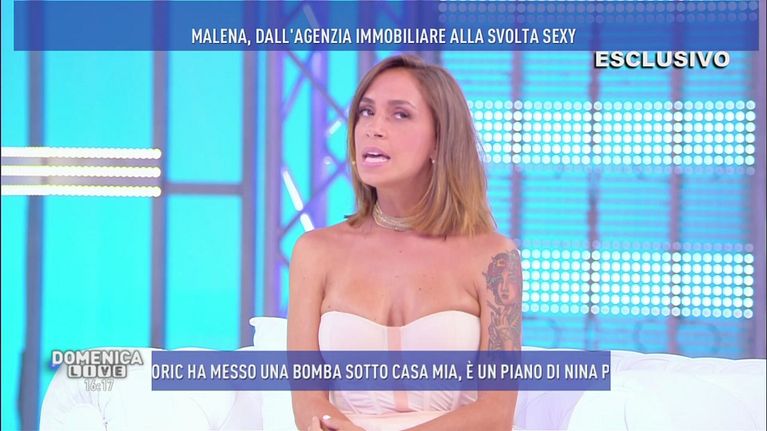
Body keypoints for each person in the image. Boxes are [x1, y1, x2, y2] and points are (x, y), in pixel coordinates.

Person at [287, 54, 522, 431]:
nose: (373, 128)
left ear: (439, 141)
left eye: (400, 114)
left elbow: (497, 413)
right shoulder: (315, 252)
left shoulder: (494, 258)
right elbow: (308, 402)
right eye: (366, 112)